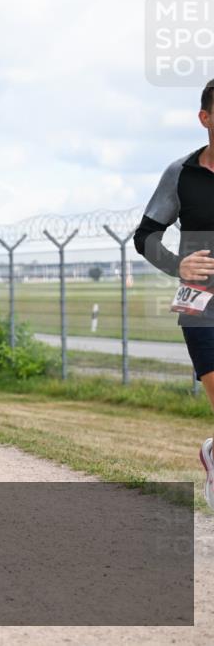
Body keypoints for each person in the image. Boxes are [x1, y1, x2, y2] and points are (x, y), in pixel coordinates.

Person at [134, 78, 214, 508]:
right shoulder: (181, 174)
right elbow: (145, 235)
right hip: (202, 302)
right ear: (205, 118)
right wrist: (176, 265)